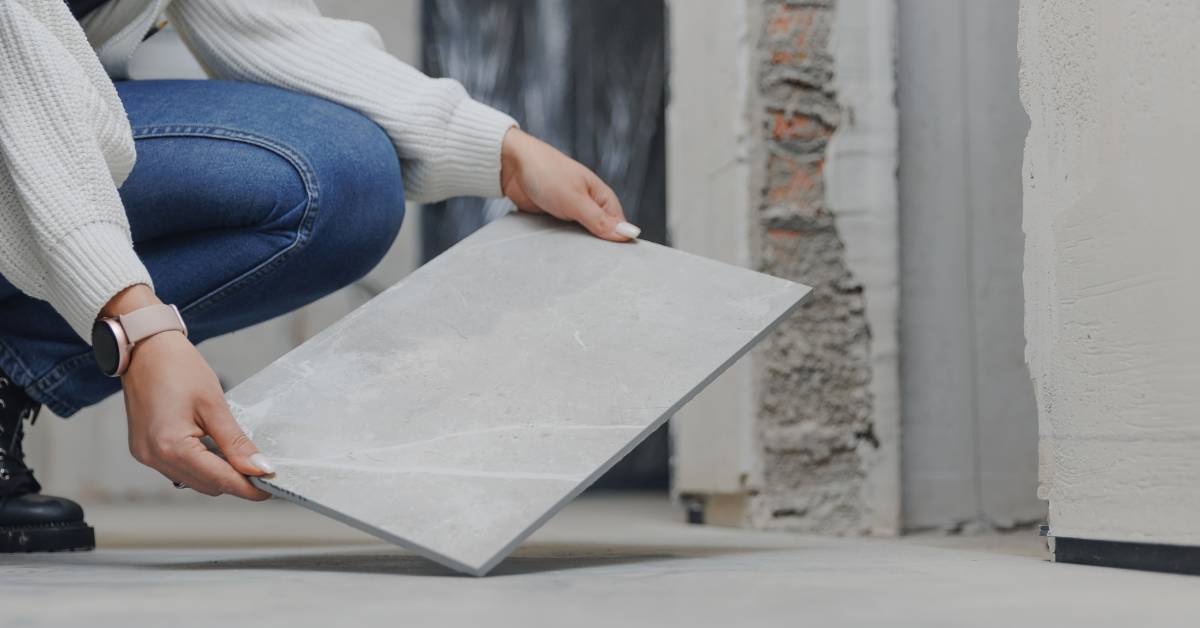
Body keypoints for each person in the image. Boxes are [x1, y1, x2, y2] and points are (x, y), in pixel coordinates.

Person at [0, 0, 641, 552]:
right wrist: (135, 326)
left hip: (51, 118)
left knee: (344, 179)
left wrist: (503, 154)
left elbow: (264, 25)